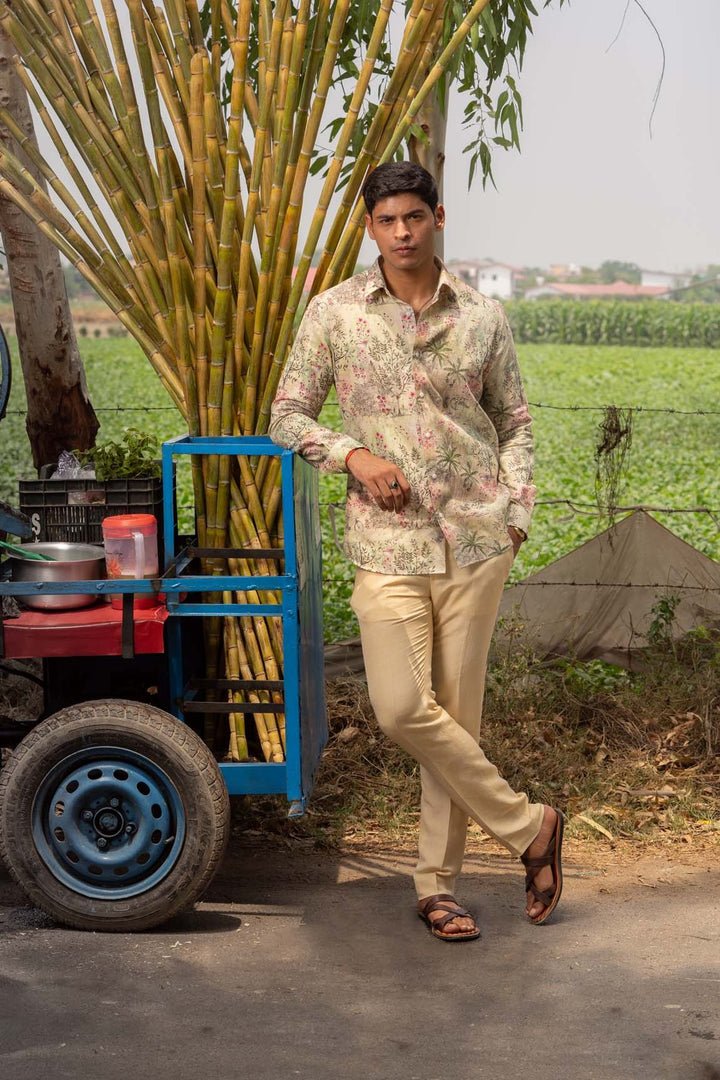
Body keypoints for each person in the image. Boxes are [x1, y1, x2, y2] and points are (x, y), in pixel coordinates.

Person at [269, 161, 563, 941]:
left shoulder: (483, 317)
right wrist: (354, 457)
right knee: (404, 708)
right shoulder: (334, 315)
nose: (402, 233)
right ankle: (530, 825)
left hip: (474, 541)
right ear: (370, 229)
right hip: (384, 545)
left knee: (455, 715)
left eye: (414, 218)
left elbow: (517, 422)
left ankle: (438, 887)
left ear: (438, 217)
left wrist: (516, 518)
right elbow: (288, 415)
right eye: (387, 221)